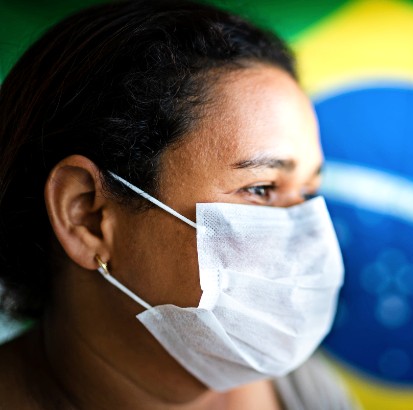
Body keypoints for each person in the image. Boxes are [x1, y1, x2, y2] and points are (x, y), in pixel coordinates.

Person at [0, 1, 354, 408]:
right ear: (88, 217)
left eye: (308, 194)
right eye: (260, 188)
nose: (312, 242)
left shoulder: (305, 389)